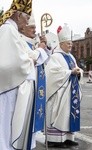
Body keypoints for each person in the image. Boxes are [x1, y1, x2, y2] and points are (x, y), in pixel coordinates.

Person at [0, 0, 39, 149]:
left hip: (12, 88)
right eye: (26, 18)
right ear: (17, 15)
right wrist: (29, 62)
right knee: (5, 127)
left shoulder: (12, 31)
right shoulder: (7, 30)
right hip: (7, 90)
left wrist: (28, 59)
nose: (27, 21)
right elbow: (6, 63)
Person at [45, 24, 83, 148]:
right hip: (59, 92)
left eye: (71, 44)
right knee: (59, 115)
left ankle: (68, 137)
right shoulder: (55, 56)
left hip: (71, 92)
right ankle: (54, 140)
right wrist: (69, 72)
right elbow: (52, 73)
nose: (70, 46)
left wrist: (79, 72)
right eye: (68, 43)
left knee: (68, 115)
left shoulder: (71, 57)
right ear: (61, 44)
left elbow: (76, 69)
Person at [19, 13, 50, 148]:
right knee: (24, 120)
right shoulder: (20, 42)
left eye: (35, 27)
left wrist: (44, 46)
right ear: (22, 28)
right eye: (31, 27)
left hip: (36, 88)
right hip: (25, 89)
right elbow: (32, 59)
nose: (35, 30)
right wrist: (40, 48)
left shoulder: (32, 43)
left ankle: (30, 144)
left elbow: (46, 60)